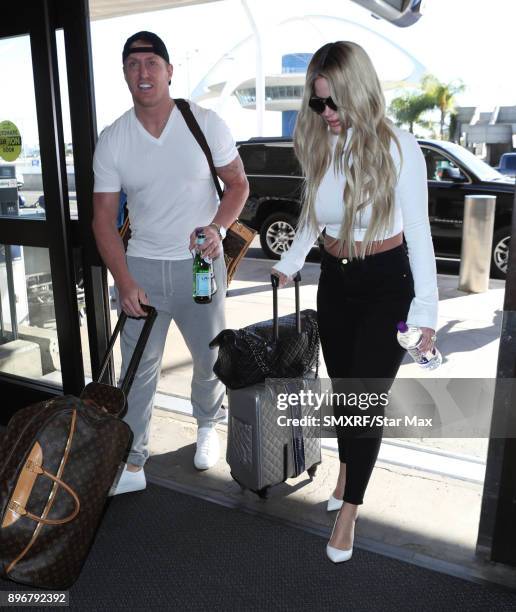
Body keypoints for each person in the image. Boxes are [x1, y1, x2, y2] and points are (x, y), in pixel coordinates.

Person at [272, 41, 439, 563]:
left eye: (334, 103)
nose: (326, 114)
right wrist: (292, 261)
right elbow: (311, 216)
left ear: (360, 93)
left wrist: (426, 313)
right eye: (317, 104)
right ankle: (346, 473)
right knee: (346, 394)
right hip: (336, 283)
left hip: (388, 282)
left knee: (364, 401)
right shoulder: (321, 142)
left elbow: (417, 230)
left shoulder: (399, 146)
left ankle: (350, 510)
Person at [92, 31, 249, 495]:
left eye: (151, 62)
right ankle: (134, 462)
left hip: (199, 265)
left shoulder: (204, 122)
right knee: (136, 370)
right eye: (133, 64)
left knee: (210, 356)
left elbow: (238, 185)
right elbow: (103, 221)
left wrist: (217, 228)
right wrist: (122, 279)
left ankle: (206, 425)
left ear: (168, 70)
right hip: (141, 267)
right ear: (125, 74)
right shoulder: (114, 138)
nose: (143, 72)